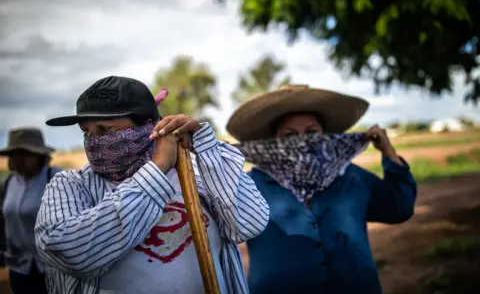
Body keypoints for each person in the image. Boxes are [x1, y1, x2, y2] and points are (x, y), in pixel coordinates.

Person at [34, 75, 269, 294]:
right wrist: (156, 170)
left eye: (105, 129)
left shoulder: (195, 171)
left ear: (147, 124)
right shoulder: (70, 185)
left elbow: (249, 224)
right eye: (87, 132)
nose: (94, 141)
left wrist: (207, 148)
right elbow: (72, 254)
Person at [227, 84, 417, 294]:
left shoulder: (351, 176)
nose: (303, 141)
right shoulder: (250, 184)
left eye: (312, 132)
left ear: (326, 136)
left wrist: (388, 152)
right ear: (272, 142)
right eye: (290, 135)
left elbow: (399, 208)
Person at [0, 127, 62, 294]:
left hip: (55, 268)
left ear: (39, 155)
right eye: (13, 155)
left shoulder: (58, 179)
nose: (18, 160)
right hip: (19, 267)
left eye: (24, 154)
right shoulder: (8, 184)